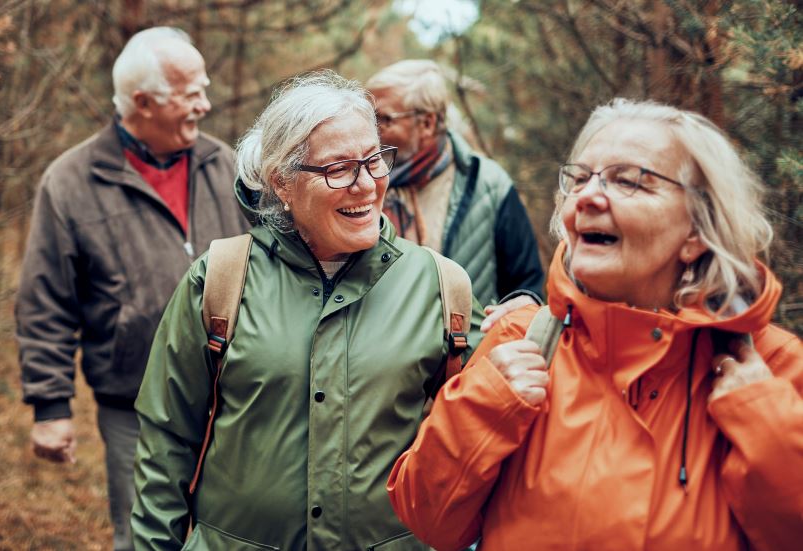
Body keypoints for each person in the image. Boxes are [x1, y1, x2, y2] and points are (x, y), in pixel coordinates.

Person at [387, 98, 803, 550]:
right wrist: (482, 406)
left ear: (696, 231)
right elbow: (428, 520)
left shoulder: (772, 368)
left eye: (629, 181)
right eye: (579, 179)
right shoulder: (520, 342)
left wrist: (763, 421)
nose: (586, 196)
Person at [130, 71, 484, 550]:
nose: (366, 185)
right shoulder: (220, 280)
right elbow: (166, 442)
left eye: (375, 160)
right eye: (338, 168)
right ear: (283, 182)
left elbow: (485, 440)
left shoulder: (443, 289)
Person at [15, 27, 249, 551]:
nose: (205, 106)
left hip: (237, 395)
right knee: (146, 537)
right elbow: (45, 301)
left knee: (235, 534)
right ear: (143, 102)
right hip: (134, 404)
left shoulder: (226, 165)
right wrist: (51, 407)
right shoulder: (71, 181)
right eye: (192, 95)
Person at [366, 60, 544, 311]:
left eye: (384, 119)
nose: (372, 130)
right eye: (369, 117)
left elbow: (526, 287)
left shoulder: (489, 185)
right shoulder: (362, 181)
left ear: (427, 123)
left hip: (467, 348)